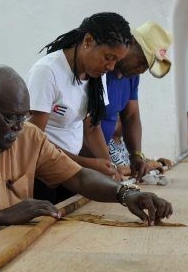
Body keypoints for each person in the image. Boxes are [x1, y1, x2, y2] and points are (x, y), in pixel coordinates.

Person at [0, 66, 174, 271]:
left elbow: (78, 177)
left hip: (4, 246)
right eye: (10, 119)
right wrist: (3, 216)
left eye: (24, 117)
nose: (18, 128)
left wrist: (126, 194)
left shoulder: (27, 137)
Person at [26, 12, 132, 202]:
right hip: (42, 173)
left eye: (116, 61)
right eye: (108, 57)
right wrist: (86, 164)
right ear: (88, 41)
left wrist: (109, 167)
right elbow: (34, 139)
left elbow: (92, 126)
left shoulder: (96, 75)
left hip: (72, 171)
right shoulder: (47, 71)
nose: (111, 67)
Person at [97, 21, 173, 181]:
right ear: (131, 43)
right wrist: (108, 166)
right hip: (85, 160)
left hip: (101, 164)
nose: (142, 70)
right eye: (142, 61)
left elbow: (131, 116)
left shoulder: (132, 78)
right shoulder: (100, 71)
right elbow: (89, 125)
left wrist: (136, 155)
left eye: (147, 66)